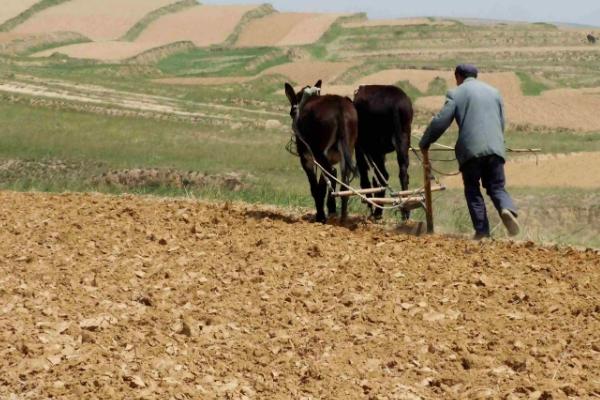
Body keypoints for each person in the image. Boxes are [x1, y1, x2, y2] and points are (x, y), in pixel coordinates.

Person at [419, 64, 520, 240]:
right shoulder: (494, 92)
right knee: (496, 187)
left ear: (458, 76)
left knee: (472, 189)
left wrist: (425, 141)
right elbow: (501, 121)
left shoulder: (455, 93)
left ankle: (482, 232)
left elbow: (441, 121)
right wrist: (497, 143)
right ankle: (506, 208)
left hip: (471, 151)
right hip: (495, 148)